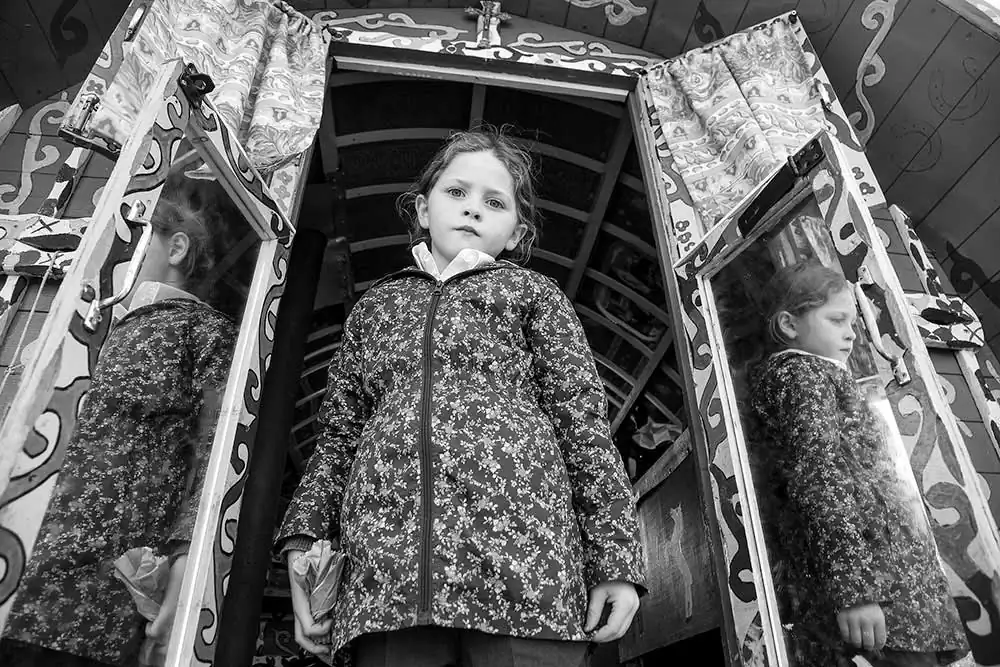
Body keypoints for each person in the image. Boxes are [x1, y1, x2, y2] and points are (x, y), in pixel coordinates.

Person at [276, 128, 645, 667]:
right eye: (456, 192)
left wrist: (616, 562)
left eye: (495, 202)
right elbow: (338, 438)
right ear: (423, 210)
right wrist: (303, 543)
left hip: (528, 581)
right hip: (386, 589)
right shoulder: (375, 308)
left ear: (516, 233)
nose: (473, 208)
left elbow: (584, 431)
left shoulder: (533, 295)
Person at [0, 181, 237, 666]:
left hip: (100, 588)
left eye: (130, 238)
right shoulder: (86, 324)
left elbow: (219, 447)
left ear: (176, 247)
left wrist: (187, 556)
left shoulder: (202, 330)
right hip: (22, 555)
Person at [748, 262, 969, 667]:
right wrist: (853, 589)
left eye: (852, 322)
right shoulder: (800, 375)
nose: (851, 333)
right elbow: (819, 473)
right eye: (837, 320)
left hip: (890, 576)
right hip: (875, 580)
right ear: (789, 325)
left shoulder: (822, 374)